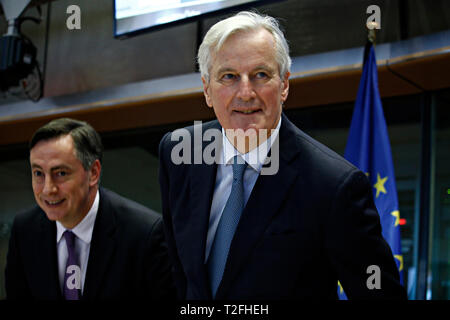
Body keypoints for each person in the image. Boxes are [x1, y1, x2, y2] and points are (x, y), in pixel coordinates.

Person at [158, 11, 407, 299]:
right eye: (228, 77)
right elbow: (177, 272)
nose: (246, 92)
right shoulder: (178, 153)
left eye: (260, 75)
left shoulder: (334, 185)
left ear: (285, 84)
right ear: (207, 90)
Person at [5, 118, 175, 300]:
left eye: (61, 173)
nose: (48, 189)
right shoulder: (25, 229)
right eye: (38, 174)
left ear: (93, 172)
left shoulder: (145, 233)